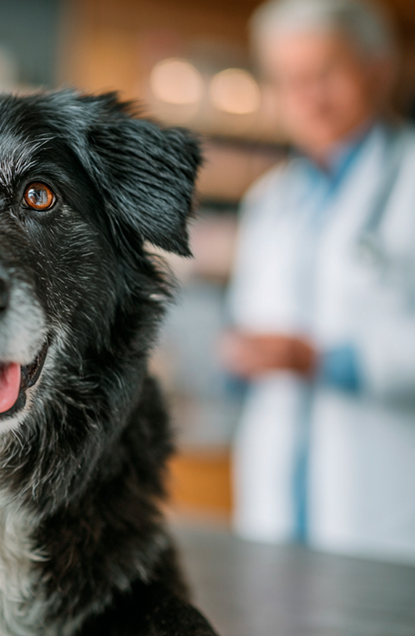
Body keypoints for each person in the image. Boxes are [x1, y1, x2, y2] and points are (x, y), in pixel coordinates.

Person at [222, 0, 415, 563]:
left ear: (380, 70)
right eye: (288, 80)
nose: (308, 96)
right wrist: (240, 357)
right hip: (277, 511)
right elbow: (248, 324)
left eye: (324, 73)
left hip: (385, 514)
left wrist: (326, 360)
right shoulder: (271, 201)